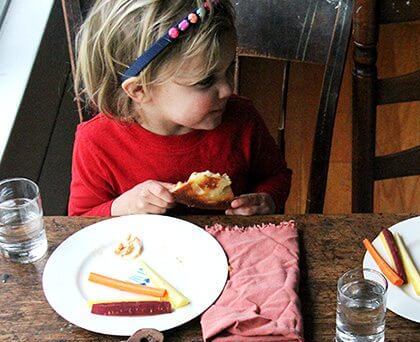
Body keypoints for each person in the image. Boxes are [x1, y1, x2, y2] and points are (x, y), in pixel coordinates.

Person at [68, 0, 291, 216]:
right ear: (140, 90)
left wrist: (267, 199)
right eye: (205, 81)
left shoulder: (243, 119)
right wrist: (120, 207)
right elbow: (80, 219)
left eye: (229, 68)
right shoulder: (97, 142)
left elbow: (277, 176)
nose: (227, 90)